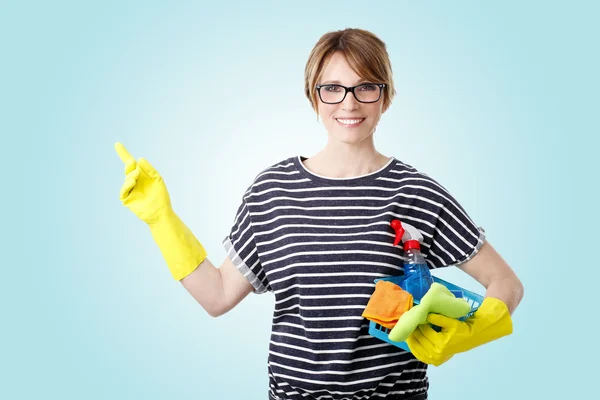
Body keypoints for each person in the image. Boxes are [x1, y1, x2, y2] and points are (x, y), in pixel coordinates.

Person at [114, 28, 524, 400]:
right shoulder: (272, 192)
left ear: (386, 96)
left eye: (366, 87)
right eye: (333, 88)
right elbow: (217, 296)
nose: (349, 102)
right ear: (314, 96)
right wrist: (161, 220)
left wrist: (472, 329)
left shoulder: (418, 193)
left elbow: (505, 282)